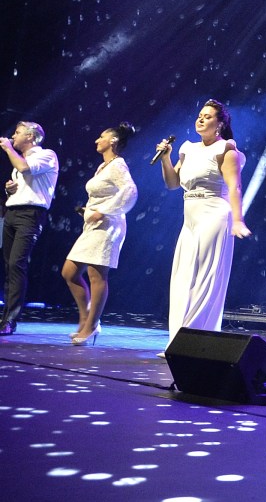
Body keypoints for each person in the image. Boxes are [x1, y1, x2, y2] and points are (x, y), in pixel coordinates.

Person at [156, 100, 251, 349]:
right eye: (200, 115)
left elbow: (235, 187)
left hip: (215, 215)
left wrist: (238, 220)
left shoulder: (226, 150)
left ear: (219, 124)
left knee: (205, 279)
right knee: (182, 278)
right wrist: (166, 159)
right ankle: (177, 340)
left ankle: (191, 342)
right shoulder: (188, 149)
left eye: (208, 117)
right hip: (190, 218)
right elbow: (172, 183)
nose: (201, 119)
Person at [62, 122, 139, 345]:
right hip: (93, 226)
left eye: (101, 137)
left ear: (113, 141)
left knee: (96, 275)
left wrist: (104, 211)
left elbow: (130, 191)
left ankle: (91, 325)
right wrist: (89, 211)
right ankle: (86, 318)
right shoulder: (103, 167)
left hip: (109, 226)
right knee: (69, 272)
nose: (97, 140)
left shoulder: (118, 165)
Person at [0, 121, 60, 335]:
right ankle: (5, 316)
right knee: (9, 266)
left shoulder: (46, 155)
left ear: (31, 137)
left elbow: (25, 168)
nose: (13, 136)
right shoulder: (20, 161)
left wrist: (8, 148)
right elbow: (23, 180)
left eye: (17, 133)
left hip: (30, 214)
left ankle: (11, 319)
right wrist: (10, 190)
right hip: (12, 212)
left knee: (16, 264)